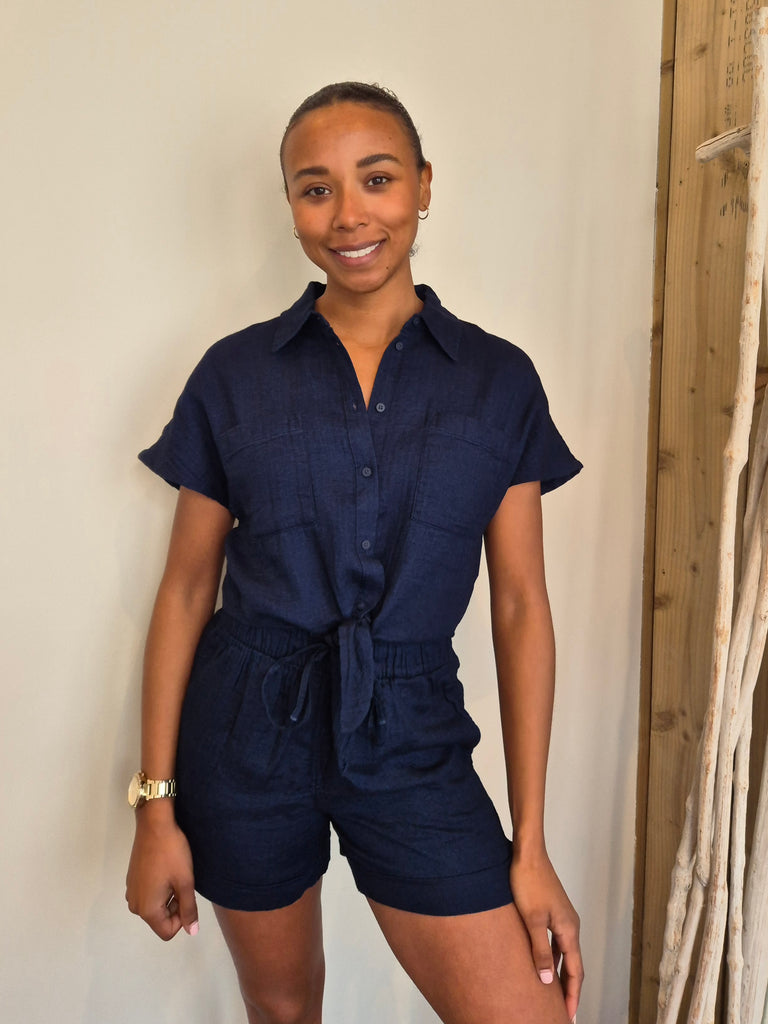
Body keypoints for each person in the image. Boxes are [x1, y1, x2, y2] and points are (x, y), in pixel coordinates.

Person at [126, 81, 584, 1024]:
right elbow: (185, 591)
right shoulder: (235, 373)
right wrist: (155, 809)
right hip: (246, 728)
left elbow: (520, 606)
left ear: (424, 184)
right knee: (284, 1011)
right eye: (315, 188)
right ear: (291, 206)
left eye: (376, 179)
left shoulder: (499, 381)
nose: (348, 214)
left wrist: (530, 847)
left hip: (414, 733)